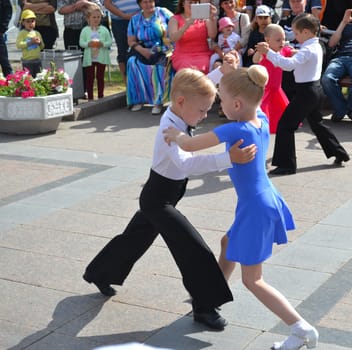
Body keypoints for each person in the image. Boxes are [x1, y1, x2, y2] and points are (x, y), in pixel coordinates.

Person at [83, 67, 258, 331]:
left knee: (134, 238)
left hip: (167, 192)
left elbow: (196, 85)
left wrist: (220, 70)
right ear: (180, 102)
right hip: (158, 199)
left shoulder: (182, 105)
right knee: (192, 248)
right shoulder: (169, 129)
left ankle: (99, 273)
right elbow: (186, 164)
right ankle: (205, 307)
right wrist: (227, 158)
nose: (204, 116)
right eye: (202, 111)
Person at [163, 65, 319, 350]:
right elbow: (253, 96)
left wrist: (174, 135)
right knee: (227, 242)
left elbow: (191, 143)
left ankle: (300, 329)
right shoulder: (260, 117)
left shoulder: (234, 128)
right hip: (264, 198)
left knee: (254, 281)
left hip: (255, 207)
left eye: (220, 100)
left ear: (236, 104)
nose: (218, 105)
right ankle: (211, 297)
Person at [256, 13, 350, 175]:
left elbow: (288, 66)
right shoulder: (315, 45)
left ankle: (287, 165)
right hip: (314, 90)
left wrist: (270, 53)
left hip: (306, 92)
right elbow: (301, 58)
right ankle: (339, 153)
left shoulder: (308, 49)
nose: (295, 37)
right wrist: (295, 53)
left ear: (306, 32)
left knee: (285, 126)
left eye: (297, 33)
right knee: (317, 124)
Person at [126, 0, 173, 113]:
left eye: (151, 1)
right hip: (144, 50)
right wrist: (142, 50)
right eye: (145, 2)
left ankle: (158, 102)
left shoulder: (164, 13)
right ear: (140, 4)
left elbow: (175, 29)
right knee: (132, 62)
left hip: (165, 49)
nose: (148, 5)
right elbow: (131, 41)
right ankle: (138, 100)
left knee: (159, 66)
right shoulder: (135, 19)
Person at [252, 23, 291, 133]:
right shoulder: (264, 52)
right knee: (263, 108)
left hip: (277, 87)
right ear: (267, 40)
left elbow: (294, 54)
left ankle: (279, 125)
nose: (282, 43)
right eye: (278, 40)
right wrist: (259, 51)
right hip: (265, 88)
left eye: (283, 39)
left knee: (280, 108)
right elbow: (255, 60)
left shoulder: (284, 51)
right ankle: (260, 125)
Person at [168, 0, 218, 74]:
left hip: (203, 54)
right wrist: (187, 24)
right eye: (190, 2)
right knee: (188, 71)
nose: (193, 5)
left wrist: (212, 18)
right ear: (183, 4)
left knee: (204, 67)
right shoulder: (175, 19)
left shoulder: (204, 18)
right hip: (183, 55)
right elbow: (173, 38)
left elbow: (212, 35)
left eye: (195, 2)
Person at [79, 4, 112, 100]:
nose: (96, 19)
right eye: (94, 17)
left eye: (98, 17)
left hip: (101, 58)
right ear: (88, 18)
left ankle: (101, 96)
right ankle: (90, 97)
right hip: (90, 58)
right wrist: (88, 44)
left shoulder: (104, 30)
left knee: (100, 77)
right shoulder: (85, 30)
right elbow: (81, 42)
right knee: (90, 78)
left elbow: (109, 41)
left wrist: (103, 44)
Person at [103, 0, 140, 80]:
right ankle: (127, 85)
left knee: (141, 50)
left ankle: (141, 83)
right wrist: (124, 15)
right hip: (119, 21)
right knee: (123, 52)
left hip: (140, 19)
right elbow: (107, 3)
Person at [16, 9, 45, 77]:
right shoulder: (22, 33)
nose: (30, 23)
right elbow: (18, 45)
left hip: (37, 60)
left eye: (32, 21)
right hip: (27, 61)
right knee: (29, 79)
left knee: (39, 77)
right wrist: (30, 42)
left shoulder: (37, 33)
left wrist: (39, 43)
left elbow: (42, 47)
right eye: (28, 21)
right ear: (23, 23)